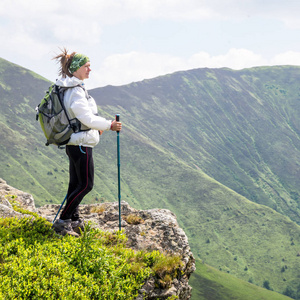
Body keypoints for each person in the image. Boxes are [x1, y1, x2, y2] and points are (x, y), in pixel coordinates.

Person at [52, 48, 122, 236]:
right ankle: (64, 221)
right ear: (76, 68)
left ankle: (73, 219)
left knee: (75, 183)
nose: (90, 69)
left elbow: (83, 119)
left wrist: (97, 128)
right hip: (81, 144)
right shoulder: (75, 91)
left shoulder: (71, 88)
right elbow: (87, 118)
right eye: (86, 66)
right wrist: (110, 125)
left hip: (75, 142)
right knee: (85, 185)